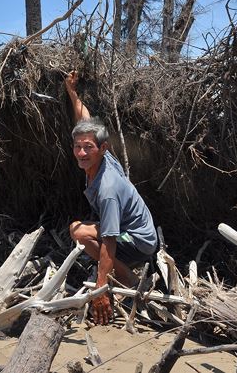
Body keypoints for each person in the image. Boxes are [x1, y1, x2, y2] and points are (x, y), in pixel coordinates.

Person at [65, 70, 158, 326]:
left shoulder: (107, 188)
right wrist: (72, 92)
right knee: (77, 227)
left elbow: (109, 240)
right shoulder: (103, 158)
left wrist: (100, 288)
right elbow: (86, 120)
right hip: (132, 233)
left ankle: (128, 277)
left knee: (80, 233)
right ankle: (123, 273)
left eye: (88, 148)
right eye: (77, 146)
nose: (81, 153)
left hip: (140, 241)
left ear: (102, 149)